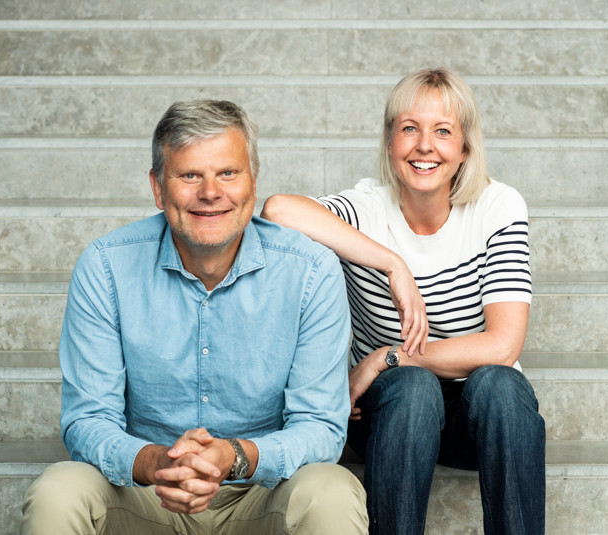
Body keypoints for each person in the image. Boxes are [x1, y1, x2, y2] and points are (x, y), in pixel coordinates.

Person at [21, 99, 369, 534]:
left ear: (252, 182)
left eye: (228, 173)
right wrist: (158, 462)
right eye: (189, 175)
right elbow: (88, 420)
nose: (210, 192)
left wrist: (236, 456)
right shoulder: (106, 266)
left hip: (264, 493)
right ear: (157, 186)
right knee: (59, 489)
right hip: (147, 495)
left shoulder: (311, 270)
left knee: (332, 491)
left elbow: (320, 427)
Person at [261, 68, 546, 534]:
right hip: (388, 414)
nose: (424, 146)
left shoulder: (498, 206)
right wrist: (392, 264)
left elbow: (502, 346)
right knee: (413, 389)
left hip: (478, 416)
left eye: (443, 132)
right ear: (391, 142)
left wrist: (386, 357)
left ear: (465, 149)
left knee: (501, 386)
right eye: (409, 128)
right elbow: (277, 211)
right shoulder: (368, 208)